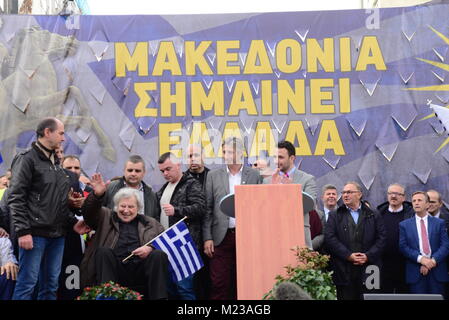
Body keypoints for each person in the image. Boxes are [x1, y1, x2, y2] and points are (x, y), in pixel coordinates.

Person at [8, 117, 89, 300]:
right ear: (47, 133)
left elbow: (58, 203)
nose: (63, 138)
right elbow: (15, 197)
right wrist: (23, 231)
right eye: (60, 133)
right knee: (27, 284)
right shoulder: (26, 159)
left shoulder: (56, 165)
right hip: (33, 234)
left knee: (51, 286)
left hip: (58, 235)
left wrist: (72, 222)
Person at [80, 173, 169, 300]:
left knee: (158, 255)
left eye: (131, 207)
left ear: (138, 208)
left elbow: (164, 246)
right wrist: (97, 195)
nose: (126, 210)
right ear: (116, 206)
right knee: (103, 252)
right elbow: (89, 213)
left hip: (141, 271)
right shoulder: (105, 217)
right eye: (122, 206)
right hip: (114, 270)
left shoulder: (152, 224)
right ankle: (108, 296)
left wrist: (150, 248)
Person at [203, 137, 262, 300]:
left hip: (247, 238)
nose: (226, 155)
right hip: (221, 238)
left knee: (246, 281)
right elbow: (208, 208)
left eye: (230, 151)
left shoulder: (254, 175)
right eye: (224, 152)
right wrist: (207, 237)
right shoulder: (213, 176)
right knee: (219, 283)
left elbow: (259, 209)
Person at [324, 181, 386, 300]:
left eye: (349, 192)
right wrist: (348, 255)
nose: (345, 195)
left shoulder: (374, 214)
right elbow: (330, 238)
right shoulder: (335, 215)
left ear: (359, 194)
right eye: (344, 193)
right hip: (344, 268)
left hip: (370, 269)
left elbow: (382, 238)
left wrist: (368, 256)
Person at [156, 152, 206, 300]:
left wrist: (176, 210)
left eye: (168, 169)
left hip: (185, 246)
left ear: (178, 165)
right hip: (167, 245)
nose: (165, 173)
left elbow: (201, 208)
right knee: (170, 289)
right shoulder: (165, 187)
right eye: (162, 171)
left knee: (185, 289)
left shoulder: (191, 183)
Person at [264, 140, 317, 249]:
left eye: (281, 157)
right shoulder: (267, 181)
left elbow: (311, 205)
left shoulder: (307, 179)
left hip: (298, 236)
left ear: (292, 158)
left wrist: (291, 189)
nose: (276, 161)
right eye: (274, 157)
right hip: (272, 237)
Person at [399, 191, 449, 296]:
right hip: (416, 272)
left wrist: (431, 262)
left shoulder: (439, 223)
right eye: (414, 201)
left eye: (420, 200)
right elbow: (403, 247)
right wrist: (422, 260)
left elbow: (445, 246)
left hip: (437, 271)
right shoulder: (404, 225)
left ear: (427, 204)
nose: (416, 203)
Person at [59, 155, 93, 300]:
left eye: (76, 168)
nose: (73, 171)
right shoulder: (56, 190)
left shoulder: (90, 192)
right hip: (59, 243)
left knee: (72, 287)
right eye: (69, 168)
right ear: (61, 169)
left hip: (81, 250)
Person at [184, 144, 211, 300]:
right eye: (189, 156)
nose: (193, 159)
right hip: (189, 237)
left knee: (210, 276)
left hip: (211, 236)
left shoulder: (213, 176)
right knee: (191, 279)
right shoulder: (182, 179)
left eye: (196, 155)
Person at [376, 183, 413, 294]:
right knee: (384, 294)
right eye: (391, 193)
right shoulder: (379, 213)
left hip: (405, 264)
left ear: (403, 197)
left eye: (397, 194)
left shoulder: (411, 213)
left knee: (404, 294)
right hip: (383, 264)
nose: (393, 196)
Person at [313, 184, 338, 252]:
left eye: (333, 194)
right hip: (320, 255)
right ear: (322, 198)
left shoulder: (343, 213)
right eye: (328, 194)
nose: (331, 196)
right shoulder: (316, 215)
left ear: (337, 197)